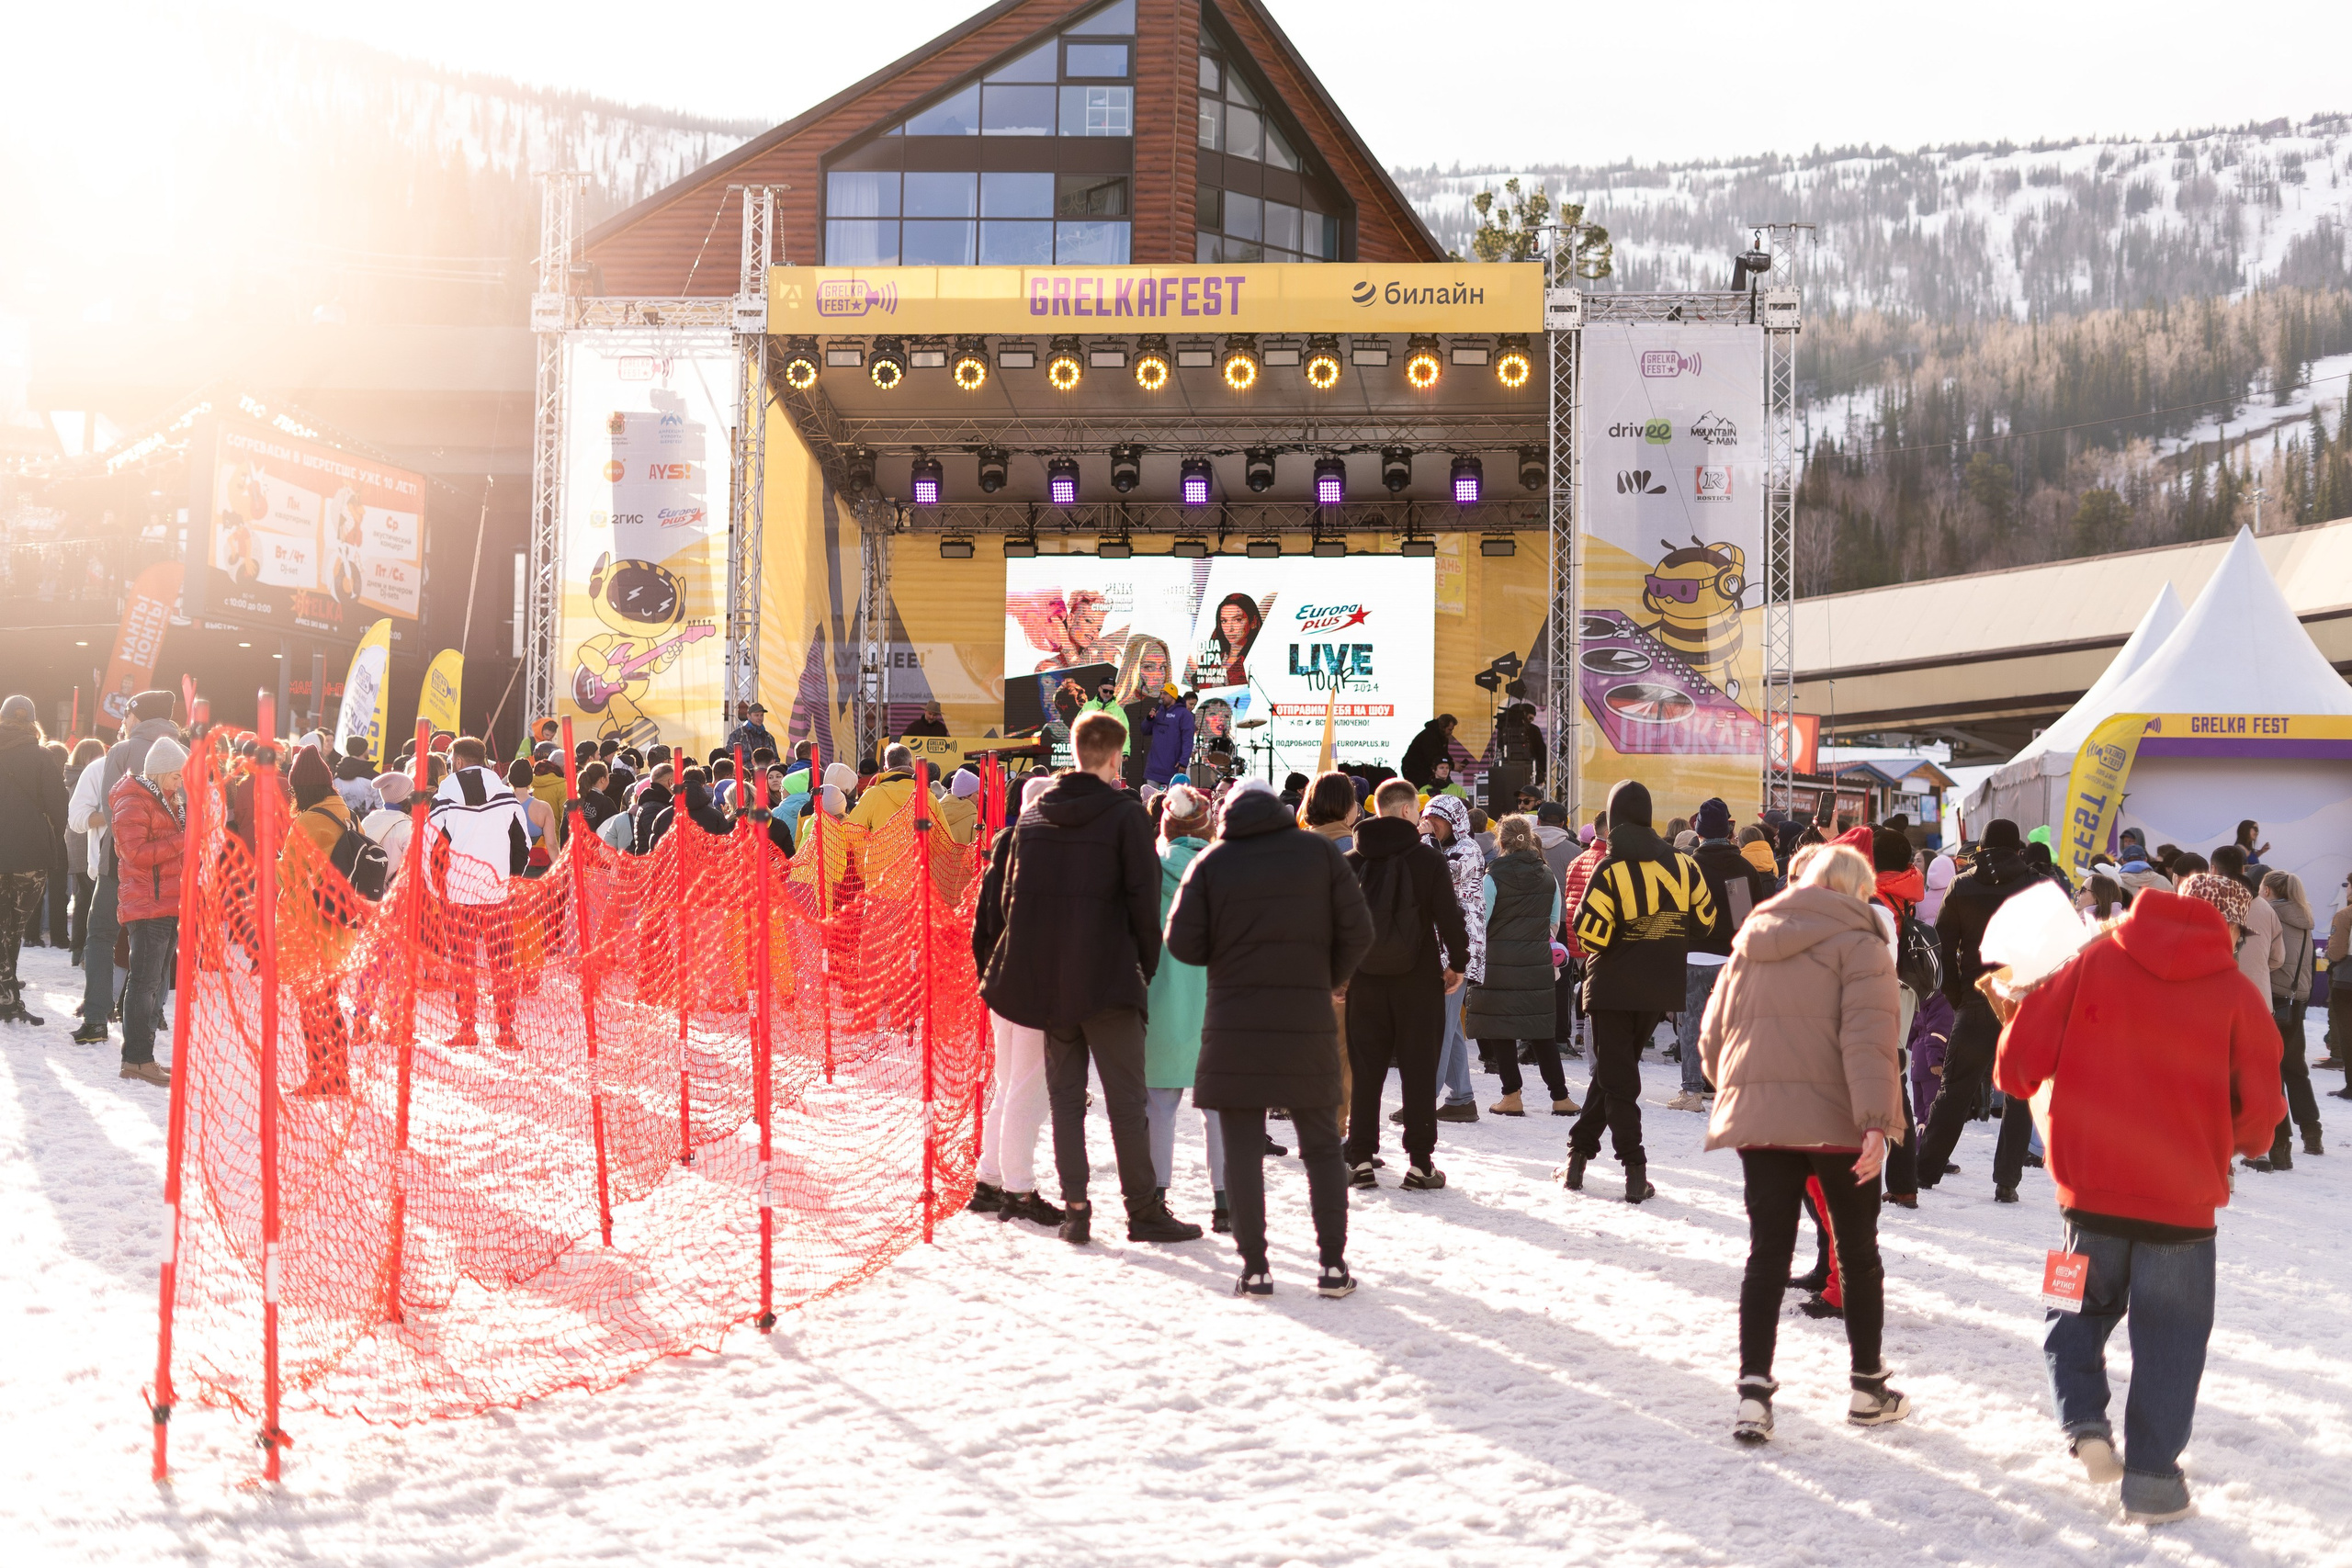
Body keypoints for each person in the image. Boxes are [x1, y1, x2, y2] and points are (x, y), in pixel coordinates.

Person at [1996, 884, 2284, 1521]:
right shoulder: (2237, 993)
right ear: (2229, 928)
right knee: (2174, 1340)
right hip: (2184, 1212)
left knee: (2067, 1307)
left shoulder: (2088, 961)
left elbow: (2016, 1068)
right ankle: (2154, 1480)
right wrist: (2218, 1142)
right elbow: (2264, 1117)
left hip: (2084, 1201)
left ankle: (2085, 1423)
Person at [1700, 843, 1908, 1442]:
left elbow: (1713, 1035)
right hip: (1839, 1122)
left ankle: (1753, 1397)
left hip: (1762, 1121)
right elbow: (1869, 1041)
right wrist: (1878, 1123)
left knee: (1766, 1253)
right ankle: (1868, 1385)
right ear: (1857, 892)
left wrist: (1743, 1089)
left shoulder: (1754, 936)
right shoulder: (1863, 943)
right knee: (1858, 1250)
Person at [977, 711, 1197, 1246]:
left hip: (1053, 987)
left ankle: (1077, 1210)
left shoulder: (1032, 819)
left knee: (1067, 1102)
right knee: (1126, 1102)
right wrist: (1144, 967)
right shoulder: (1124, 817)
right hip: (1110, 979)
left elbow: (1013, 904)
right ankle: (1143, 1210)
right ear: (1117, 756)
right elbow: (1144, 906)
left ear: (1073, 752)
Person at [1168, 776, 1373, 1297]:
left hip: (1234, 1025)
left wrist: (1227, 957)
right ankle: (1331, 1266)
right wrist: (1327, 977)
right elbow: (1359, 931)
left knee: (1240, 1151)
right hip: (1307, 1021)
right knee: (1323, 1148)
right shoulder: (1319, 855)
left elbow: (1181, 941)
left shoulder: (1212, 862)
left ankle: (1255, 1268)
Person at [1564, 780, 1718, 1202]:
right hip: (1660, 989)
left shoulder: (1610, 868)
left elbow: (1590, 933)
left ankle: (1635, 1170)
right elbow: (1706, 920)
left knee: (1618, 1080)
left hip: (1612, 988)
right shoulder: (1685, 865)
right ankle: (1577, 1156)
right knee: (1614, 1076)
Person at [1343, 778, 1470, 1190]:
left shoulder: (1351, 862)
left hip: (1364, 980)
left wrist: (1336, 974)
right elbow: (1449, 918)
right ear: (1404, 811)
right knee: (1418, 1072)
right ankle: (1419, 1164)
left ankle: (1360, 1159)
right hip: (1418, 979)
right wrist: (1458, 963)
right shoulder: (1426, 860)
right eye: (1417, 810)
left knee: (1366, 1073)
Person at [1917, 819, 2041, 1201]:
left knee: (1954, 1088)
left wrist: (1959, 996)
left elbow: (1940, 949)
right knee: (2021, 1095)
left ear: (1982, 849)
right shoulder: (2037, 885)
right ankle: (2007, 1181)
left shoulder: (1962, 884)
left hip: (1975, 999)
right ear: (2018, 848)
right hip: (2021, 1003)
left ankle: (1925, 1171)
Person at [968, 776, 1062, 1229]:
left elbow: (982, 925)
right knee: (1028, 1089)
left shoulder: (1002, 847)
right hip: (1030, 986)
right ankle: (1019, 1190)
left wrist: (990, 976)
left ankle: (988, 1180)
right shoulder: (1043, 851)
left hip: (1002, 985)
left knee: (1009, 1087)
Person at [1141, 784, 1227, 1230]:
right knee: (1220, 1108)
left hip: (1162, 1001)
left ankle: (1155, 1197)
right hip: (1217, 1006)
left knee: (1158, 1105)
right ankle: (1227, 1203)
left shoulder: (1151, 872)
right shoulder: (1227, 873)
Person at [74, 690, 180, 1045]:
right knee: (161, 941)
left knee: (101, 933)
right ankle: (153, 1015)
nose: (123, 722)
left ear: (138, 717)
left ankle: (96, 1017)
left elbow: (110, 806)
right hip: (169, 865)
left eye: (126, 715)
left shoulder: (120, 752)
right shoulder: (188, 756)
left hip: (120, 860)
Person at [424, 737, 530, 1053]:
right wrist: (506, 881)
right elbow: (522, 847)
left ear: (456, 762)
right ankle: (506, 1030)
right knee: (503, 965)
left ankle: (467, 1028)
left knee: (463, 965)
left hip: (457, 898)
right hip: (497, 896)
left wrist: (439, 891)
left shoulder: (443, 800)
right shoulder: (507, 797)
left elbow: (432, 851)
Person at [1466, 814, 1576, 1119]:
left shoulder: (1492, 876)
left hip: (1499, 964)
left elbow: (1481, 921)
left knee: (1501, 1030)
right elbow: (1553, 923)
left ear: (1500, 842)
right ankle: (1561, 1097)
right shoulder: (1546, 875)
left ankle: (1511, 1096)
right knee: (1541, 1030)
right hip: (1536, 961)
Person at [1674, 797, 1775, 1112]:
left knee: (1690, 1024)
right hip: (1730, 960)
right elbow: (1744, 920)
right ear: (1729, 832)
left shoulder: (1689, 865)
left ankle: (1691, 1092)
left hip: (1691, 956)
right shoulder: (1741, 867)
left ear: (1699, 833)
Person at [284, 745, 362, 1094]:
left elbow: (287, 877)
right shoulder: (347, 813)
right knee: (329, 1002)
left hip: (311, 927)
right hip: (341, 924)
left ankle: (321, 1078)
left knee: (313, 1006)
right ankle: (339, 1076)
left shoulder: (308, 820)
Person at [0, 695, 70, 1025]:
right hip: (30, 855)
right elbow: (60, 807)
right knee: (14, 927)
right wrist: (51, 838)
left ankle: (6, 997)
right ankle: (8, 998)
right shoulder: (42, 757)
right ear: (31, 720)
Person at [1419, 794, 1486, 1122]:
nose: (1431, 823)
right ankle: (1462, 1099)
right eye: (1427, 816)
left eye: (1438, 818)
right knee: (1451, 1030)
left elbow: (1441, 876)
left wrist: (1424, 840)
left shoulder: (1469, 851)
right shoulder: (1440, 848)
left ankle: (1422, 1101)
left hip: (1457, 954)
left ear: (1456, 821)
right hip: (1444, 950)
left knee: (1440, 1028)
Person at [2253, 870, 2323, 1168]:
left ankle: (2280, 1146)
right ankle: (2312, 1132)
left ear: (2267, 891)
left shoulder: (2270, 917)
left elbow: (2269, 959)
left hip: (2276, 1000)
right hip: (2297, 1002)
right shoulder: (2305, 920)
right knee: (2295, 1068)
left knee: (2272, 1073)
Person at [2211, 845, 2281, 997]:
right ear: (2243, 870)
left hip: (2217, 997)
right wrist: (2255, 969)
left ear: (2213, 870)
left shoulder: (2204, 903)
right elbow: (2278, 957)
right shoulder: (2266, 908)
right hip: (2258, 997)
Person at [1399, 714, 1455, 789]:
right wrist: (1452, 764)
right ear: (1443, 727)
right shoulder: (1429, 736)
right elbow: (1433, 757)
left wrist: (1451, 762)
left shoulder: (1440, 737)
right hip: (1415, 770)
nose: (1451, 733)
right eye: (1449, 729)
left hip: (1421, 770)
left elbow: (1442, 754)